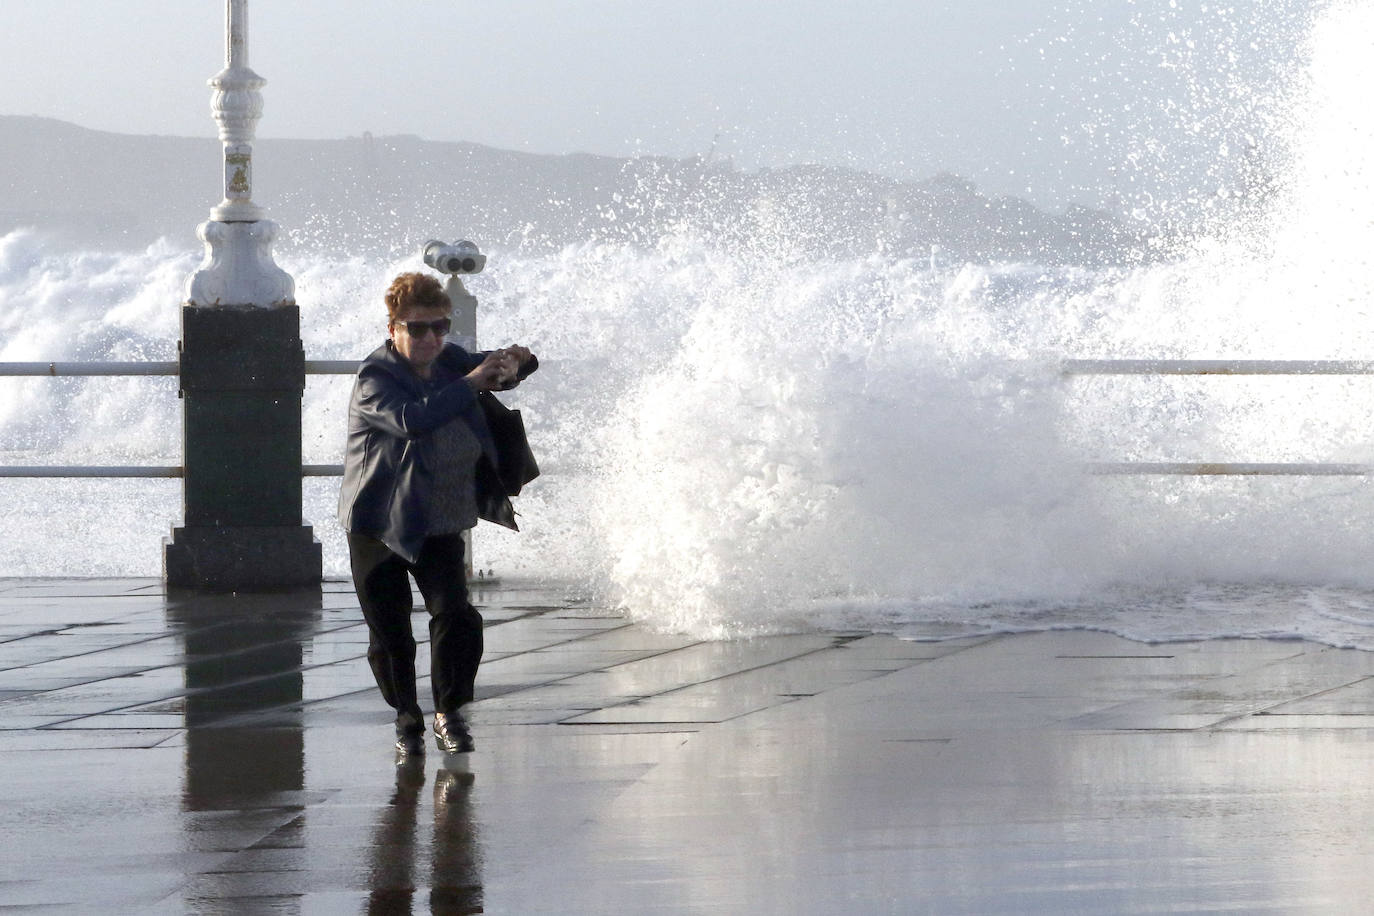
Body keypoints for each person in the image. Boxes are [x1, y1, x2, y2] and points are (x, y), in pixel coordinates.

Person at [339, 271, 537, 757]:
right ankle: (407, 716)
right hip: (380, 521)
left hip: (442, 519)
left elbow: (495, 371)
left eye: (439, 327)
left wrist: (515, 360)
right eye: (417, 328)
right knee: (390, 636)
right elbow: (413, 421)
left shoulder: (450, 360)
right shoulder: (375, 377)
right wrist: (473, 381)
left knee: (457, 616)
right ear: (393, 329)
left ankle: (449, 713)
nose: (430, 338)